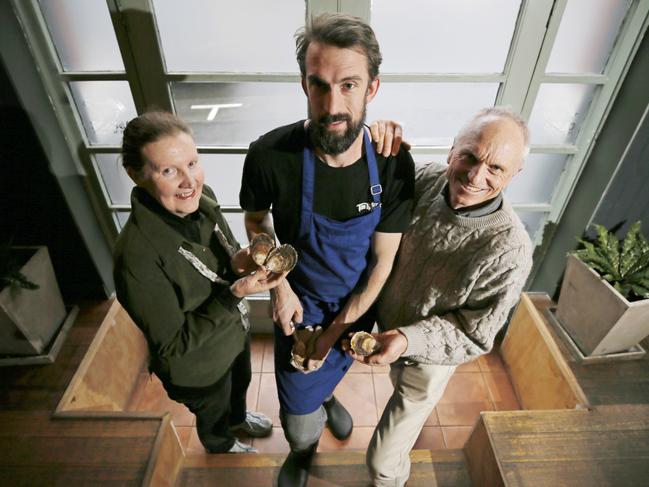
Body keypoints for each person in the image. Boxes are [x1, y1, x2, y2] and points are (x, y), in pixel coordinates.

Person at [239, 13, 414, 487]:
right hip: (298, 304)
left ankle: (328, 397)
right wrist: (279, 290)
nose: (332, 104)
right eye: (319, 86)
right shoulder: (269, 154)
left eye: (349, 85)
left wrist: (337, 330)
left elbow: (382, 263)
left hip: (355, 307)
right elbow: (257, 223)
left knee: (328, 370)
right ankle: (302, 451)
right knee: (296, 416)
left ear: (372, 89)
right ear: (304, 84)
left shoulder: (394, 163)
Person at [348, 107, 534, 487]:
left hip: (429, 355)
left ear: (514, 174)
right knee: (393, 385)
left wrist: (406, 340)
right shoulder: (427, 177)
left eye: (496, 168)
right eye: (469, 156)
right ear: (452, 150)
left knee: (382, 460)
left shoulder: (510, 250)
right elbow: (364, 198)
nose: (475, 175)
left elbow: (473, 334)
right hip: (384, 322)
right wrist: (374, 141)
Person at [114, 111, 287, 454]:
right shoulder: (135, 258)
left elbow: (223, 255)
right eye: (169, 171)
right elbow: (172, 346)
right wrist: (235, 293)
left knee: (240, 384)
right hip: (197, 367)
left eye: (192, 163)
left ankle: (237, 418)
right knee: (213, 409)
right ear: (135, 175)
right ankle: (219, 441)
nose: (189, 181)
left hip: (230, 335)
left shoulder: (200, 195)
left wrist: (241, 260)